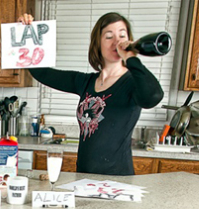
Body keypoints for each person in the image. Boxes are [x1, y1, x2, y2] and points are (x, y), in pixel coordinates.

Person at [19, 12, 164, 176]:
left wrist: (131, 58)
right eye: (109, 36)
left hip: (118, 181)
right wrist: (27, 33)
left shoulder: (131, 83)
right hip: (83, 176)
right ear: (98, 43)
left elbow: (153, 97)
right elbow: (42, 73)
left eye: (122, 36)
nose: (117, 42)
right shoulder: (86, 82)